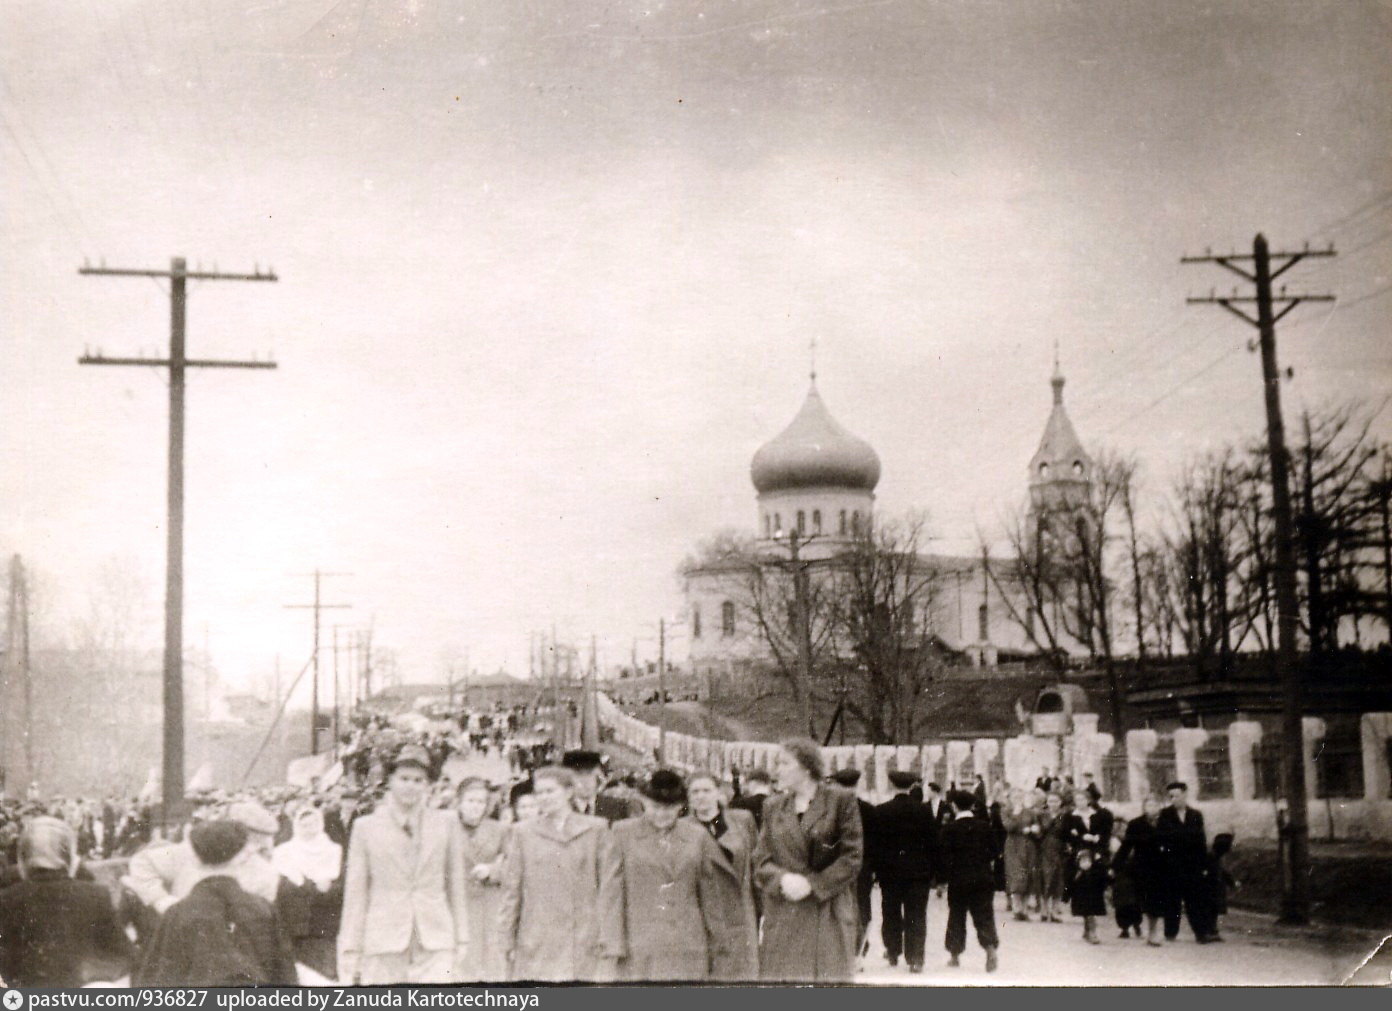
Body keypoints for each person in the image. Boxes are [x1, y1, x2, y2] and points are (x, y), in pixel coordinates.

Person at [337, 744, 469, 985]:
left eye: (419, 780)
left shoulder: (446, 823)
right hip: (383, 938)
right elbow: (356, 893)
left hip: (435, 937)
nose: (411, 786)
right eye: (404, 778)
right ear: (390, 780)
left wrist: (462, 938)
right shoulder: (366, 827)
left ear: (428, 785)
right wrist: (350, 950)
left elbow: (455, 885)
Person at [497, 766, 623, 981]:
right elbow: (512, 890)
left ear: (568, 792)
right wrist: (506, 938)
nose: (544, 798)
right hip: (537, 938)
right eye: (539, 793)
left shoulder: (596, 830)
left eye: (550, 791)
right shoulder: (523, 832)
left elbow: (610, 889)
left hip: (584, 938)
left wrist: (610, 941)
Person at [753, 738, 864, 983]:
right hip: (784, 910)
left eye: (783, 763)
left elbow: (852, 857)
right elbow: (761, 859)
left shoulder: (840, 800)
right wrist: (783, 879)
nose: (776, 770)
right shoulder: (772, 806)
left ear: (806, 768)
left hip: (828, 910)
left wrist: (812, 884)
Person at [135, 821, 298, 986]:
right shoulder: (263, 909)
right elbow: (286, 976)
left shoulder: (177, 914)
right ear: (242, 857)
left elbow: (158, 981)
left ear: (195, 859)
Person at [605, 770, 724, 981]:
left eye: (669, 808)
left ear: (680, 806)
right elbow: (611, 892)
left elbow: (710, 894)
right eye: (656, 807)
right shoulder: (622, 833)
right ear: (643, 802)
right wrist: (613, 944)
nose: (662, 814)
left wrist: (717, 941)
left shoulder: (697, 836)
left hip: (688, 943)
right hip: (640, 944)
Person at [0, 817, 134, 987]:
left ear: (22, 859)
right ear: (70, 858)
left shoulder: (6, 900)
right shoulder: (96, 896)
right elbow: (126, 956)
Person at [125, 800, 280, 913]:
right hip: (182, 935)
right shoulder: (190, 851)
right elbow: (142, 862)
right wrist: (160, 900)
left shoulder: (265, 873)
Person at [685, 772, 759, 981]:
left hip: (740, 912)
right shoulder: (683, 828)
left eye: (706, 790)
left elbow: (755, 864)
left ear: (718, 793)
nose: (701, 796)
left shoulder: (742, 820)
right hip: (704, 914)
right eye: (695, 792)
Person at [874, 770, 936, 973]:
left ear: (892, 786)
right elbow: (932, 843)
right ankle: (916, 958)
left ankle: (893, 951)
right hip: (918, 874)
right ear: (911, 787)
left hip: (890, 874)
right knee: (916, 915)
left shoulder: (882, 811)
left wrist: (877, 870)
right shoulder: (924, 811)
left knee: (890, 912)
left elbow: (877, 845)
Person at [272, 803, 344, 979]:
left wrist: (329, 888)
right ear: (297, 826)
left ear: (320, 824)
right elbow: (280, 886)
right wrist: (308, 886)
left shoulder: (334, 850)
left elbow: (342, 883)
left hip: (324, 923)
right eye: (304, 825)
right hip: (295, 923)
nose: (308, 829)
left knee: (324, 975)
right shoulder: (285, 852)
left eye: (312, 824)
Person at [938, 789, 999, 973]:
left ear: (954, 807)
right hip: (982, 878)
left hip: (959, 880)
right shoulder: (984, 826)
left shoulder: (949, 829)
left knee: (956, 916)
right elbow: (995, 851)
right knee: (984, 915)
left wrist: (942, 880)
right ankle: (990, 948)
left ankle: (954, 956)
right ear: (973, 806)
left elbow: (944, 857)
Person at [455, 777, 510, 981]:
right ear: (459, 802)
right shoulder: (447, 828)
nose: (475, 807)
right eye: (470, 801)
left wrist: (492, 870)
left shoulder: (500, 830)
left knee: (492, 964)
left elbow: (514, 867)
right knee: (461, 965)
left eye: (480, 802)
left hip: (490, 906)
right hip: (459, 905)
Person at [830, 767, 876, 959]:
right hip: (863, 866)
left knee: (839, 905)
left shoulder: (832, 810)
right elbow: (875, 841)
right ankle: (860, 947)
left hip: (837, 866)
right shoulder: (869, 809)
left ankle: (842, 946)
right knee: (863, 905)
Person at [1156, 781, 1211, 942]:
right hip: (1171, 864)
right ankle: (1170, 932)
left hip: (1192, 864)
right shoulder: (1165, 814)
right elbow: (1160, 839)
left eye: (1176, 795)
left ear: (1185, 795)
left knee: (1194, 899)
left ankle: (1200, 933)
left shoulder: (1196, 815)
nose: (1173, 799)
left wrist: (1203, 865)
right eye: (1171, 796)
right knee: (1172, 900)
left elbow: (1201, 841)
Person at [1115, 796, 1168, 945]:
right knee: (1143, 899)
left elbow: (1173, 845)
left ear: (1160, 807)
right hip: (1141, 867)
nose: (1152, 808)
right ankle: (1147, 929)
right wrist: (1116, 865)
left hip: (1160, 867)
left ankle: (1153, 932)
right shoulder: (1135, 824)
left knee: (1155, 900)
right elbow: (1126, 846)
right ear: (1144, 807)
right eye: (1149, 805)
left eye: (1155, 805)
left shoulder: (1166, 824)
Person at [562, 749, 636, 824]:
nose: (585, 781)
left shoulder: (618, 807)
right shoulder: (561, 809)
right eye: (578, 775)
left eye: (589, 774)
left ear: (597, 777)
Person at [999, 787, 1038, 921]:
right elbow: (1009, 827)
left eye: (1020, 797)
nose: (1018, 800)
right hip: (1013, 846)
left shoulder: (1030, 812)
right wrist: (1016, 814)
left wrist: (1034, 829)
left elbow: (1038, 829)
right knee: (1016, 875)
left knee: (1027, 875)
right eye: (1015, 797)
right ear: (1010, 799)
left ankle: (1025, 910)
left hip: (1028, 846)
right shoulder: (1006, 811)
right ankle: (1017, 909)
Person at [1033, 791, 1067, 922]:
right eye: (1050, 801)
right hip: (1044, 848)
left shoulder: (1064, 816)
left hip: (1059, 849)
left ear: (1060, 802)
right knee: (1044, 878)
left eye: (1056, 801)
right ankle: (1044, 909)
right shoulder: (1041, 815)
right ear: (1047, 802)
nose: (1053, 804)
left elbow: (1066, 832)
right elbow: (1037, 832)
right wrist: (1037, 832)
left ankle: (1054, 911)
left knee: (1057, 880)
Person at [1069, 848, 1108, 945]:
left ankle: (1092, 932)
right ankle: (1088, 931)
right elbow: (1071, 881)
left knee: (1091, 911)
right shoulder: (1076, 868)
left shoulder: (1098, 866)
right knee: (1086, 911)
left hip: (1093, 889)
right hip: (1081, 890)